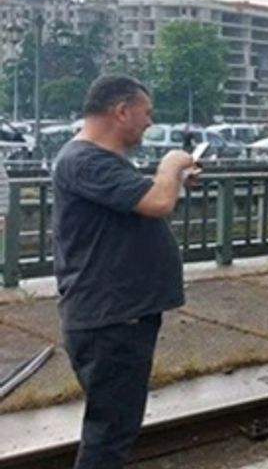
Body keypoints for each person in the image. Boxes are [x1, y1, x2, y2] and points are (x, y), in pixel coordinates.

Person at [52, 75, 197, 469]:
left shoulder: (100, 162)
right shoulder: (85, 160)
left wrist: (176, 180)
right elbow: (157, 201)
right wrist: (171, 164)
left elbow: (146, 200)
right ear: (121, 111)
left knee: (115, 426)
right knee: (109, 434)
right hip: (109, 318)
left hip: (120, 314)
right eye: (146, 113)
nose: (150, 122)